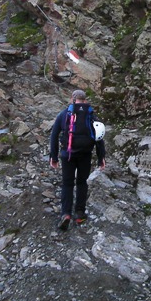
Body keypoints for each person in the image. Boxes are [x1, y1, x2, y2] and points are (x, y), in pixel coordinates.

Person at [49, 89, 106, 230]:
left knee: (67, 184)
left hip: (67, 155)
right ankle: (79, 213)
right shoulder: (91, 115)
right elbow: (99, 138)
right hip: (85, 155)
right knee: (82, 182)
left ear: (72, 99)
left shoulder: (64, 114)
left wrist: (53, 157)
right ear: (85, 100)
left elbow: (54, 136)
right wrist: (101, 158)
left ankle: (66, 214)